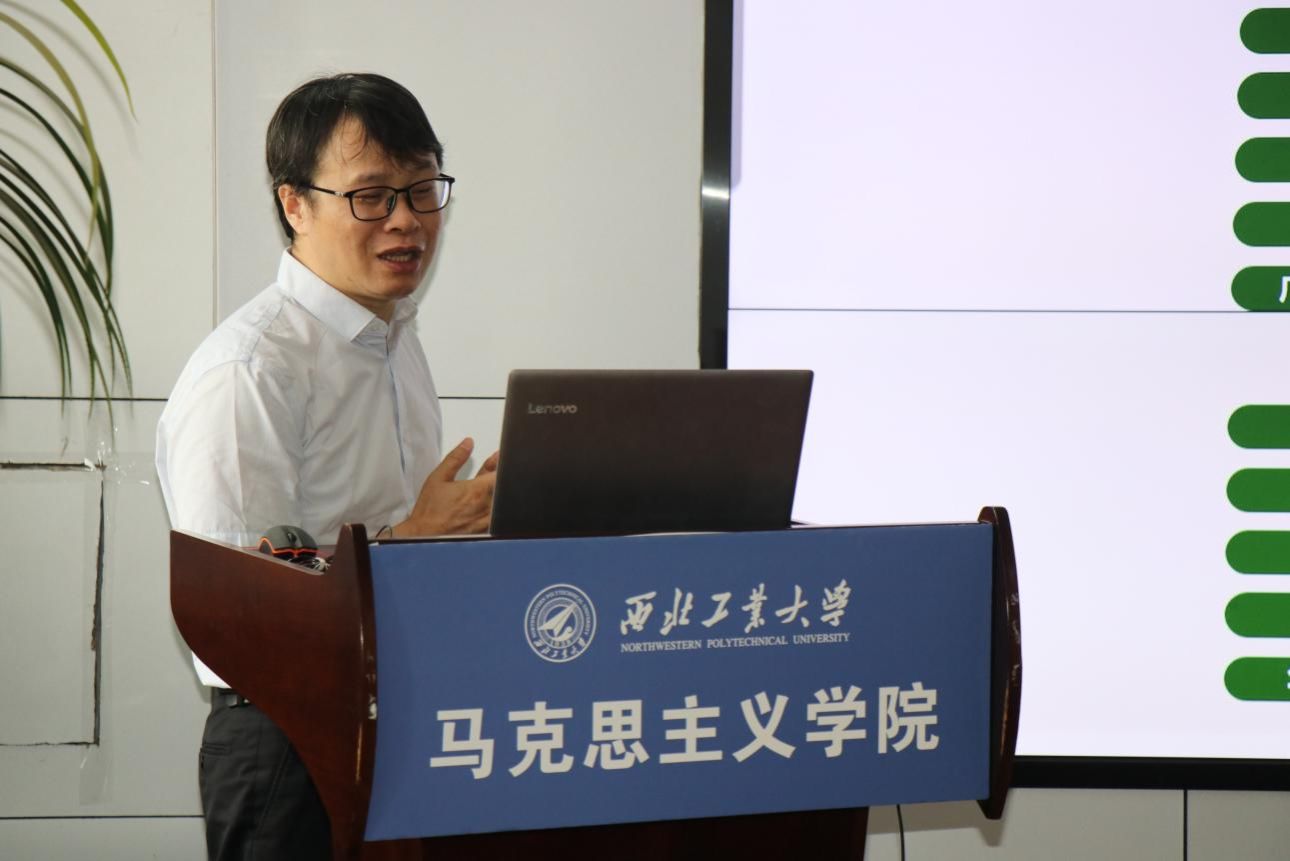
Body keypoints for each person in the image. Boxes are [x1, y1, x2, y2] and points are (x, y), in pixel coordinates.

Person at [155, 72, 495, 860]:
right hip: (285, 741)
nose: (406, 220)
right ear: (295, 205)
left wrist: (478, 520)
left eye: (423, 190)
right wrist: (415, 535)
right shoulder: (250, 370)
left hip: (397, 715)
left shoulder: (395, 343)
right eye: (371, 196)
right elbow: (241, 613)